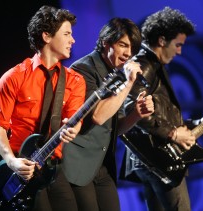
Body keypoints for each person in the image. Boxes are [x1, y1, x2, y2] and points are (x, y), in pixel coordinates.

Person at [120, 7, 203, 211]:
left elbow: (162, 116)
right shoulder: (144, 65)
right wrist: (173, 134)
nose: (179, 51)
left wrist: (199, 124)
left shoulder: (153, 65)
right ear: (161, 40)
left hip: (152, 158)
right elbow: (134, 110)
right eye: (177, 44)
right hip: (158, 159)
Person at [0, 5, 86, 211]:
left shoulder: (75, 81)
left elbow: (74, 122)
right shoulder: (13, 77)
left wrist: (73, 129)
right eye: (67, 34)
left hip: (53, 166)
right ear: (47, 36)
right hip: (20, 167)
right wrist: (11, 161)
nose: (73, 40)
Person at [61, 17, 154, 211]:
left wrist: (136, 114)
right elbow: (97, 116)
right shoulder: (83, 69)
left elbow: (115, 128)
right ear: (106, 42)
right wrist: (128, 83)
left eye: (132, 49)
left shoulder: (116, 72)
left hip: (104, 166)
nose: (128, 53)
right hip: (80, 165)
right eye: (123, 45)